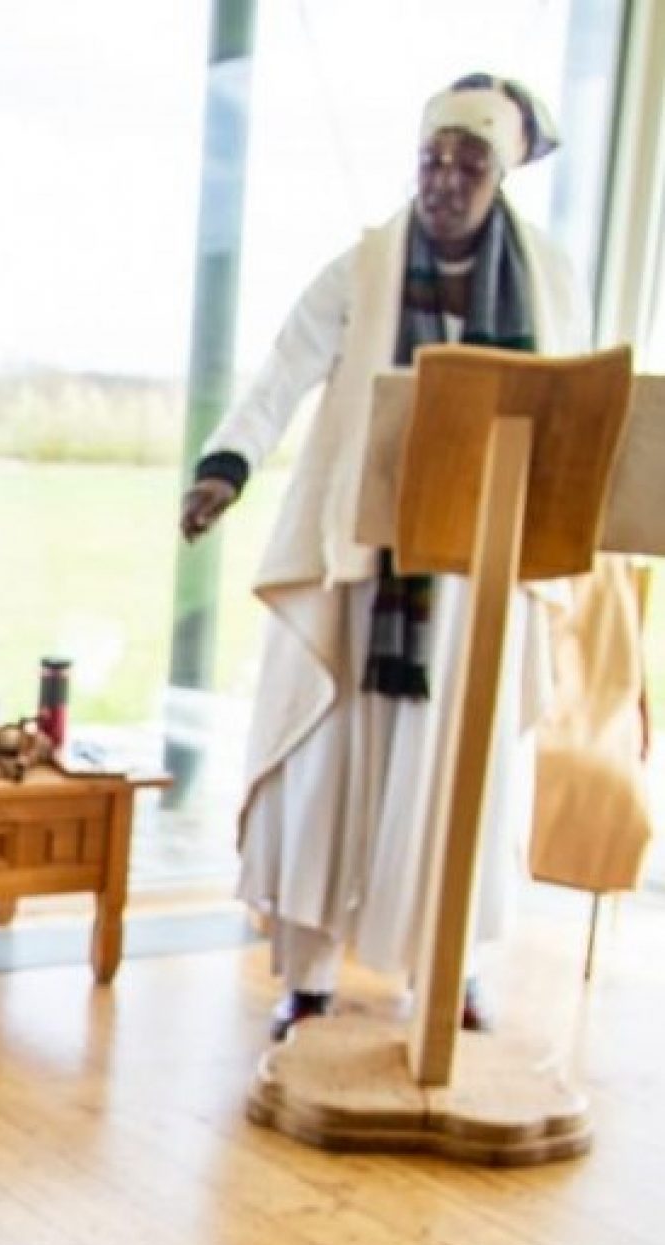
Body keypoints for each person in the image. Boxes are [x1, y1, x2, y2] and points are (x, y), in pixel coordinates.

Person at [180, 73, 614, 1042]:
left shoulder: (548, 276)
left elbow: (576, 412)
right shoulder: (365, 267)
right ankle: (309, 976)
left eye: (470, 164)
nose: (447, 180)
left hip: (474, 578)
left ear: (500, 175)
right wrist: (225, 467)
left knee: (457, 772)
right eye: (433, 159)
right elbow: (283, 371)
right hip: (361, 562)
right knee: (325, 761)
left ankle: (446, 971)